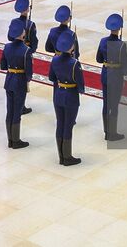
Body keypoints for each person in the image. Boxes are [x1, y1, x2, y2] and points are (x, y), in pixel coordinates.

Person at [51, 31, 84, 166]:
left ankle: (61, 156)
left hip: (58, 94)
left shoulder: (55, 60)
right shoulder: (75, 63)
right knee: (68, 126)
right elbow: (80, 84)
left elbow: (52, 77)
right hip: (70, 96)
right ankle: (68, 157)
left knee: (60, 124)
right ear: (71, 47)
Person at [0, 19, 32, 149]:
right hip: (20, 82)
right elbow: (28, 71)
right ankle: (16, 140)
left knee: (10, 111)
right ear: (22, 33)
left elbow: (3, 66)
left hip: (9, 80)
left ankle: (10, 140)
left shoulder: (7, 47)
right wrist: (28, 80)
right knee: (17, 112)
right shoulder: (26, 50)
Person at [97, 13, 127, 141]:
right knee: (114, 105)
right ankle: (112, 133)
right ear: (119, 28)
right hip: (116, 77)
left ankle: (106, 131)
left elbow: (99, 59)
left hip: (105, 74)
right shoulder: (121, 45)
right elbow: (125, 68)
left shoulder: (103, 41)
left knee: (106, 104)